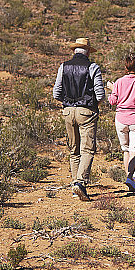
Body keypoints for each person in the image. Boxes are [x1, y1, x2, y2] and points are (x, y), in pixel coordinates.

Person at [52, 37, 105, 201]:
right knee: (87, 149)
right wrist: (90, 104)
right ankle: (80, 182)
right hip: (86, 111)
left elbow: (56, 93)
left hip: (68, 111)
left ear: (74, 51)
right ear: (88, 51)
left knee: (73, 150)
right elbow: (100, 94)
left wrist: (68, 103)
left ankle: (75, 187)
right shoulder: (92, 67)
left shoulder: (63, 66)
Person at [107, 52, 135, 191]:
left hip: (121, 119)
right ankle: (130, 177)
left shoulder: (119, 81)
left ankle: (129, 177)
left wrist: (112, 90)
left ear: (126, 67)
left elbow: (113, 101)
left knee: (125, 150)